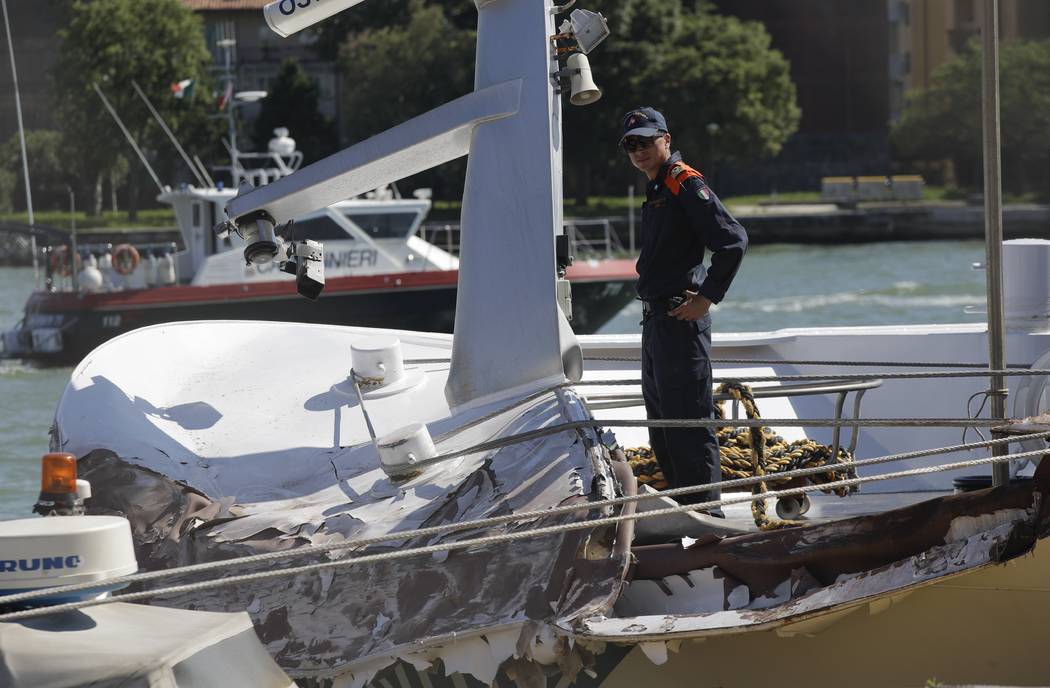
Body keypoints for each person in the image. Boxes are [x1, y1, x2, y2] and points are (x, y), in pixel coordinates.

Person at [621, 106, 748, 511]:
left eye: (647, 141)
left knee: (689, 426)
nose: (640, 150)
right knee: (663, 425)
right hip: (656, 321)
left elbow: (733, 240)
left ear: (667, 140)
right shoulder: (658, 188)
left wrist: (707, 297)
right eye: (632, 145)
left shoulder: (683, 183)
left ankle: (707, 519)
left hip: (679, 321)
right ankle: (683, 516)